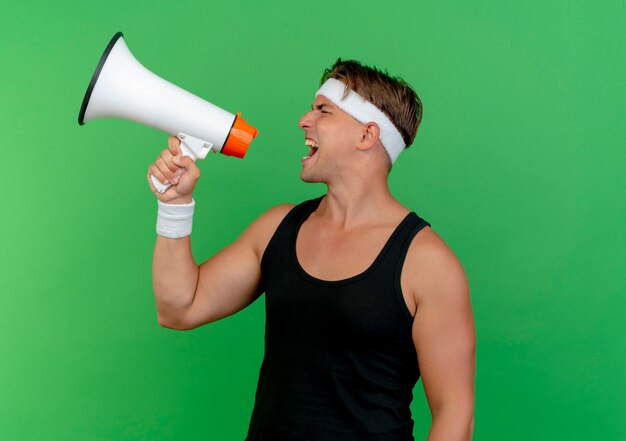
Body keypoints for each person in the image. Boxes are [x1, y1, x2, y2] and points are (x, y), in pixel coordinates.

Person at [147, 59, 475, 441]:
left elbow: (455, 414)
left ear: (367, 135)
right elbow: (178, 307)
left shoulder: (427, 263)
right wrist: (174, 206)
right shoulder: (277, 228)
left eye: (323, 110)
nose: (304, 120)